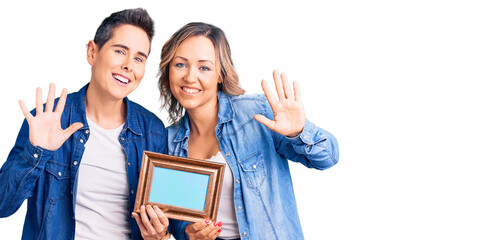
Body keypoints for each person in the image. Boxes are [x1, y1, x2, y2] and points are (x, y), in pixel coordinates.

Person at [158, 22, 339, 240]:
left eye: (204, 67)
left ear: (220, 75)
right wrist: (188, 233)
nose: (189, 77)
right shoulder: (168, 142)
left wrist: (298, 132)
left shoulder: (257, 113)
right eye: (180, 65)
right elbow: (178, 220)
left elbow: (328, 157)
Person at [0, 8, 170, 240]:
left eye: (139, 58)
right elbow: (3, 205)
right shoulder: (47, 119)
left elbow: (162, 222)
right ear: (92, 52)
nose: (129, 65)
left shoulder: (153, 132)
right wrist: (36, 152)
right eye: (120, 51)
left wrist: (160, 234)